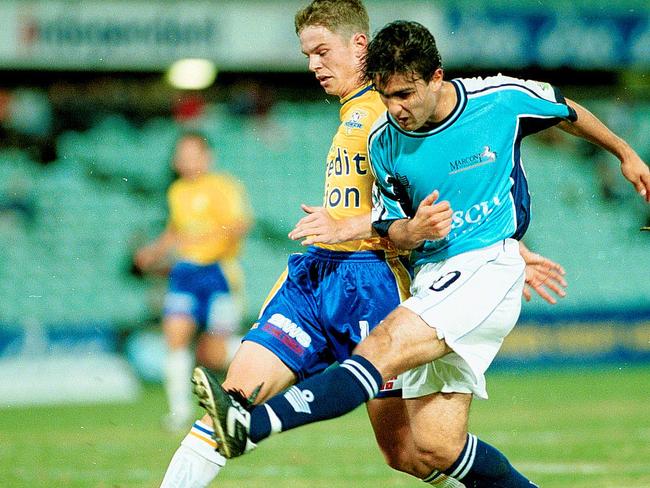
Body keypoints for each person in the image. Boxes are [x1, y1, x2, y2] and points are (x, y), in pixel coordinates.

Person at [199, 20, 650, 487]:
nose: (395, 109)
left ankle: (251, 425)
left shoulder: (499, 99)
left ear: (436, 77)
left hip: (484, 267)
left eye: (406, 94)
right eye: (385, 95)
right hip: (431, 274)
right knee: (434, 446)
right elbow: (395, 229)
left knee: (377, 350)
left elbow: (566, 111)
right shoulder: (383, 143)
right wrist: (412, 229)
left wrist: (624, 153)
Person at [134, 131, 252, 432]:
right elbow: (175, 231)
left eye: (192, 153)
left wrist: (208, 239)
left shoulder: (224, 186)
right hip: (185, 273)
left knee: (212, 352)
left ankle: (268, 361)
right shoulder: (177, 192)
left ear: (206, 156)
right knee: (174, 335)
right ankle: (178, 411)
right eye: (181, 154)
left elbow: (240, 225)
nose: (186, 160)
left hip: (218, 273)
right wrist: (153, 251)